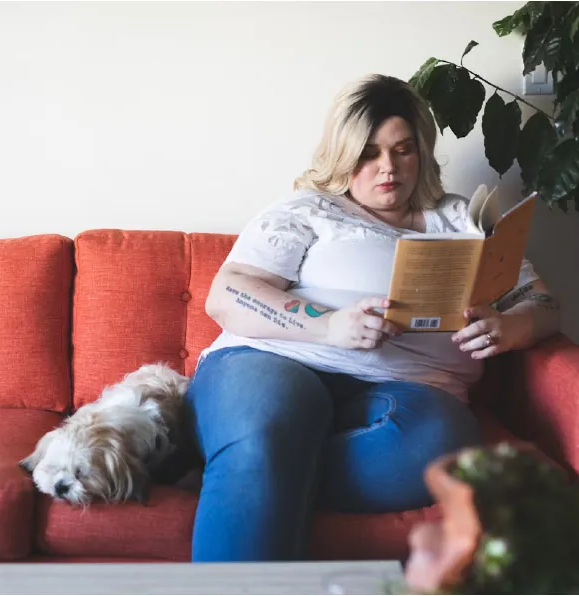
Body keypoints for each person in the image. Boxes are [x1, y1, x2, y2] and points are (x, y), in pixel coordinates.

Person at [186, 74, 562, 562]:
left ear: (421, 152)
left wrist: (510, 328)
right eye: (368, 153)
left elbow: (547, 305)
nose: (388, 168)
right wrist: (327, 325)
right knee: (266, 430)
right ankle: (248, 456)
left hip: (413, 388)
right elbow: (227, 294)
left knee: (436, 447)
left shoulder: (464, 221)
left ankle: (238, 463)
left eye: (402, 150)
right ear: (343, 156)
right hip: (277, 359)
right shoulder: (308, 209)